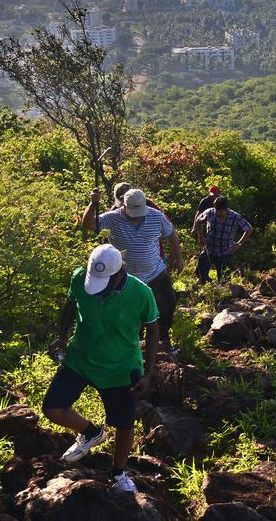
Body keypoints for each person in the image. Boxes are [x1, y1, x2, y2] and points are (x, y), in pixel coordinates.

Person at [43, 244, 159, 493]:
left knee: (124, 423)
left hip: (120, 366)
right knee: (53, 408)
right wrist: (61, 335)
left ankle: (118, 474)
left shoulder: (141, 293)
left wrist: (148, 373)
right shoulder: (79, 277)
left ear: (119, 273)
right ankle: (91, 433)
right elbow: (71, 304)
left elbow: (152, 330)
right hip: (80, 358)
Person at [81, 187, 182, 347]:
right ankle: (134, 341)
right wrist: (93, 204)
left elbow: (171, 233)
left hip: (155, 272)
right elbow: (88, 225)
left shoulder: (156, 216)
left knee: (167, 303)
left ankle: (163, 339)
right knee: (130, 310)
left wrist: (178, 256)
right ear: (124, 206)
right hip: (126, 276)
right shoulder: (112, 218)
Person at [193, 196, 252, 284]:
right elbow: (198, 221)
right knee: (201, 274)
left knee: (224, 280)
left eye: (221, 211)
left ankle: (222, 292)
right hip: (209, 249)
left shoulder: (234, 216)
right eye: (217, 210)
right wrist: (201, 237)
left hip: (225, 251)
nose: (218, 213)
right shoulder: (209, 212)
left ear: (226, 209)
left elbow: (249, 229)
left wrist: (239, 244)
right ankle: (205, 286)